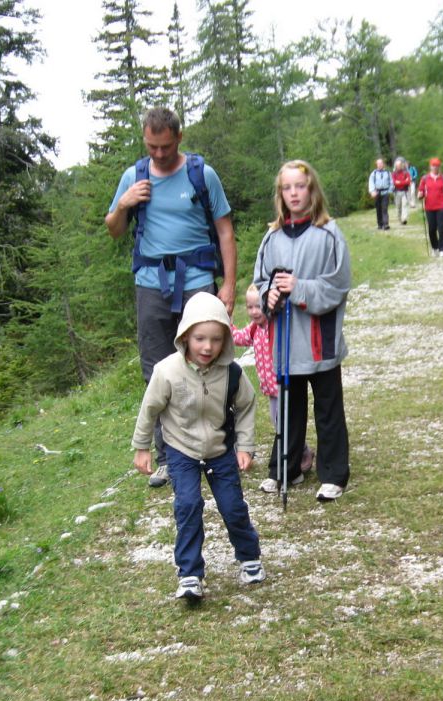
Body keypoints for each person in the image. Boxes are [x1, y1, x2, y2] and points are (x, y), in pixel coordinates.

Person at [106, 107, 237, 490]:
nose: (158, 154)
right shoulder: (134, 176)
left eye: (165, 146)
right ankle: (168, 457)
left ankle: (218, 443)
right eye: (151, 146)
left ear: (179, 138)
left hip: (197, 280)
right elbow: (113, 229)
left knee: (210, 363)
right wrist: (124, 203)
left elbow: (225, 231)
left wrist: (227, 285)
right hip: (151, 284)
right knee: (157, 370)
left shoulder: (201, 174)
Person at [132, 292, 265, 602]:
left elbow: (246, 405)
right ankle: (190, 574)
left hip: (220, 450)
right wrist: (142, 447)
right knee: (188, 505)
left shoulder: (231, 372)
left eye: (216, 340)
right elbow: (149, 409)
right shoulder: (167, 371)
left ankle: (249, 557)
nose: (208, 347)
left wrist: (245, 446)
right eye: (200, 338)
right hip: (182, 451)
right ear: (185, 336)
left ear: (225, 340)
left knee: (232, 506)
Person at [254, 160, 352, 501]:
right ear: (280, 194)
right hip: (284, 341)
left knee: (328, 406)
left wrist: (300, 288)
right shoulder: (272, 237)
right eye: (287, 187)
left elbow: (338, 285)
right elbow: (260, 281)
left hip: (318, 339)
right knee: (288, 408)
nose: (294, 193)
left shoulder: (329, 233)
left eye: (300, 186)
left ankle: (334, 473)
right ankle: (286, 469)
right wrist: (271, 294)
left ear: (312, 190)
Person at [231, 284, 315, 475]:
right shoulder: (254, 329)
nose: (254, 311)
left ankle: (302, 452)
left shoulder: (274, 325)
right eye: (249, 307)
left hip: (284, 385)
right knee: (277, 423)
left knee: (285, 424)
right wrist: (228, 324)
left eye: (258, 306)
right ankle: (301, 450)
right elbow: (239, 337)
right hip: (270, 389)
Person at [417, 157, 443, 257]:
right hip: (429, 206)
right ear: (430, 166)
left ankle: (442, 249)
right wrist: (420, 195)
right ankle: (435, 247)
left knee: (441, 227)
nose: (435, 167)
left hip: (442, 205)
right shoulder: (425, 179)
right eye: (433, 166)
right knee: (432, 229)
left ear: (439, 167)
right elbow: (420, 191)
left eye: (437, 166)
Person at [368, 157, 393, 230]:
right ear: (376, 165)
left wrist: (390, 190)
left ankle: (386, 224)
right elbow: (371, 183)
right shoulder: (374, 174)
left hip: (385, 192)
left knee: (384, 208)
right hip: (377, 192)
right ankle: (380, 224)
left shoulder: (388, 173)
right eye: (378, 164)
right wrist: (372, 191)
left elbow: (391, 182)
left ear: (383, 164)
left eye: (381, 163)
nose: (380, 165)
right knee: (378, 209)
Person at [391, 157, 412, 225]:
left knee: (404, 205)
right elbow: (394, 182)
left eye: (400, 165)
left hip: (404, 192)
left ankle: (404, 218)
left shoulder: (406, 173)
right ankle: (399, 219)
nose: (399, 167)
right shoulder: (394, 174)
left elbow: (408, 182)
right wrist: (403, 181)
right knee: (398, 207)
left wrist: (399, 182)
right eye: (397, 165)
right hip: (397, 192)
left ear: (402, 165)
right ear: (395, 166)